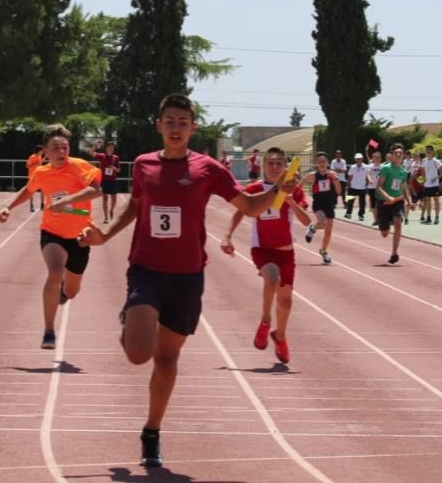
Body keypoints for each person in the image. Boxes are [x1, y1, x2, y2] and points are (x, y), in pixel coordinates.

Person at [77, 94, 297, 468]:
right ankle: (131, 317)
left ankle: (151, 431)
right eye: (170, 121)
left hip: (188, 276)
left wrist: (278, 191)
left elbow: (248, 206)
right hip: (146, 269)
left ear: (193, 128)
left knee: (166, 359)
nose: (176, 128)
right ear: (158, 125)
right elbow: (134, 206)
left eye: (183, 122)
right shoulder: (144, 165)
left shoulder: (208, 169)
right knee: (137, 354)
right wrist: (104, 234)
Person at [0, 125, 102, 349]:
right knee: (54, 272)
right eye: (55, 148)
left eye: (64, 147)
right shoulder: (42, 172)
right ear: (45, 151)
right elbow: (28, 190)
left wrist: (66, 202)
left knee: (72, 291)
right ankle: (48, 331)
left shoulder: (79, 167)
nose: (61, 152)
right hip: (52, 233)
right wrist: (8, 206)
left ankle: (64, 292)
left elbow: (96, 190)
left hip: (80, 236)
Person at [220, 147, 310, 363]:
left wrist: (290, 201)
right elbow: (239, 212)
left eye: (279, 163)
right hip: (262, 248)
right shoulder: (254, 188)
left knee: (286, 302)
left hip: (286, 251)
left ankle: (280, 337)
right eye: (271, 163)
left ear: (286, 167)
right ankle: (265, 320)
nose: (275, 167)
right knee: (272, 278)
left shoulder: (293, 189)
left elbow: (307, 221)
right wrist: (227, 236)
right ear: (263, 165)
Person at [375, 143, 415, 264]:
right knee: (384, 233)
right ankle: (385, 224)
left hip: (397, 201)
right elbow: (378, 187)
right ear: (391, 155)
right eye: (396, 153)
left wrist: (410, 202)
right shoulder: (386, 168)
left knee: (398, 222)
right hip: (384, 202)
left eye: (400, 153)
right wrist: (388, 197)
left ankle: (394, 252)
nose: (398, 155)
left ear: (403, 155)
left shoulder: (403, 171)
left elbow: (404, 188)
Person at [302, 151, 342, 264]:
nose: (322, 163)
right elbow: (302, 183)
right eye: (320, 162)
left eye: (324, 161)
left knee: (328, 232)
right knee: (322, 222)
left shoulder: (332, 175)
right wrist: (299, 196)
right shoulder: (313, 175)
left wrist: (335, 179)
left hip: (329, 204)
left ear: (327, 163)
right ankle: (312, 229)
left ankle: (323, 251)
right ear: (316, 163)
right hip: (318, 204)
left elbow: (339, 191)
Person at [93, 141, 121, 224]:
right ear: (106, 148)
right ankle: (106, 217)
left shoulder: (116, 157)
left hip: (113, 180)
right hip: (104, 180)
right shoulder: (102, 156)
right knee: (105, 199)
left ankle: (111, 210)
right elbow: (91, 152)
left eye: (112, 147)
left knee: (114, 199)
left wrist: (114, 168)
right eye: (109, 147)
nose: (111, 149)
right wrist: (95, 145)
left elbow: (119, 170)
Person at [420, 145, 442, 224]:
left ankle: (437, 218)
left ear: (433, 151)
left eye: (430, 150)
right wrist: (423, 178)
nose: (428, 151)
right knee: (427, 201)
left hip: (434, 185)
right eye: (427, 150)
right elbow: (422, 169)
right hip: (427, 184)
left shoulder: (435, 161)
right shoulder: (424, 160)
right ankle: (428, 217)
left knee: (436, 200)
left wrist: (436, 178)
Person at [344, 152, 369, 220]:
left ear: (362, 159)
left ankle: (361, 215)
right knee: (350, 201)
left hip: (362, 187)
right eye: (357, 159)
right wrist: (348, 185)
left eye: (360, 159)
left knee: (362, 203)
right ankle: (348, 213)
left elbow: (367, 176)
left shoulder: (366, 167)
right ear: (355, 159)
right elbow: (350, 176)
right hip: (353, 187)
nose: (359, 160)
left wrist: (367, 185)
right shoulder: (352, 167)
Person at [366, 150, 383, 226]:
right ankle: (376, 220)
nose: (377, 158)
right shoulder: (370, 166)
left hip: (380, 188)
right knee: (373, 204)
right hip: (372, 187)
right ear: (373, 158)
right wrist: (370, 180)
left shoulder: (383, 167)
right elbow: (368, 174)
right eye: (375, 157)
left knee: (380, 203)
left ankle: (381, 219)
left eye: (378, 157)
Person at [27, 146, 46, 212]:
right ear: (39, 150)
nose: (43, 152)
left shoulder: (39, 156)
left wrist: (45, 157)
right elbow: (27, 165)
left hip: (39, 176)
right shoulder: (32, 156)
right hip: (32, 176)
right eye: (42, 150)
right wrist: (35, 163)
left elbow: (40, 163)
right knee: (31, 192)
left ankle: (42, 204)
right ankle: (31, 206)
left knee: (43, 190)